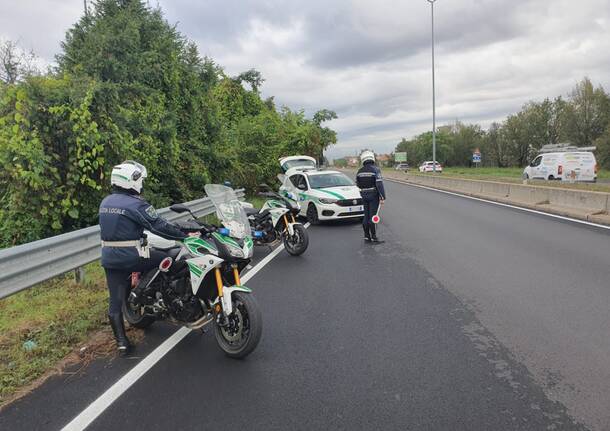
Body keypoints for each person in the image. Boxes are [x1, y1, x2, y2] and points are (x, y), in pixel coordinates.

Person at [99, 160, 189, 356]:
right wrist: (184, 235)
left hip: (109, 258)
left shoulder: (105, 202)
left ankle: (122, 344)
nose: (142, 183)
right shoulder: (136, 204)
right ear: (132, 180)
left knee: (114, 302)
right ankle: (168, 300)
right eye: (140, 179)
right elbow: (159, 226)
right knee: (170, 261)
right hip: (133, 256)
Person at [356, 150, 386, 242]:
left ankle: (366, 236)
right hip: (373, 195)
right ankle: (374, 237)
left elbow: (358, 184)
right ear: (372, 158)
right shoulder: (375, 169)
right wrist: (382, 197)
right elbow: (379, 184)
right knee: (373, 216)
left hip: (364, 195)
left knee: (366, 216)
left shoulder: (359, 171)